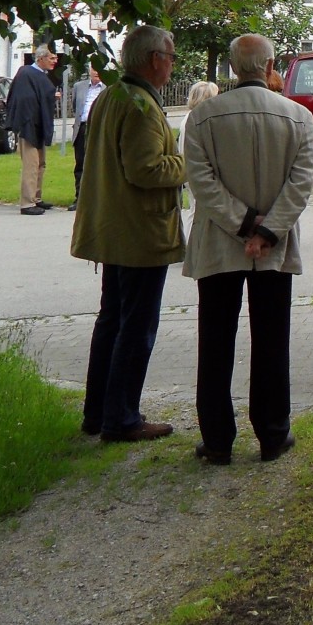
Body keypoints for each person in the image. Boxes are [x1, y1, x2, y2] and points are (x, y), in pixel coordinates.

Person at [182, 34, 313, 465]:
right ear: (270, 64)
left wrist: (243, 226)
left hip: (221, 243)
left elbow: (201, 183)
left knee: (215, 342)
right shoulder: (298, 117)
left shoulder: (203, 118)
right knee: (273, 341)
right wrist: (267, 232)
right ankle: (273, 434)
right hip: (272, 249)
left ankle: (218, 439)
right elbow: (301, 183)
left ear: (233, 68)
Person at [70, 24, 185, 444]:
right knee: (135, 328)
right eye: (170, 57)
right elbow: (146, 169)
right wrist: (187, 163)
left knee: (112, 322)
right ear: (155, 59)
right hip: (139, 234)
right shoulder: (138, 104)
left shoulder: (111, 95)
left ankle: (98, 413)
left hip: (114, 229)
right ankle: (120, 419)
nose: (172, 65)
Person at [7, 45, 59, 216]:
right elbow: (25, 100)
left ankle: (36, 198)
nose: (55, 61)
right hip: (28, 126)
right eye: (51, 58)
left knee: (41, 164)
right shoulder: (26, 73)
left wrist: (51, 96)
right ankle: (27, 203)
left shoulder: (37, 75)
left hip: (38, 126)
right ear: (41, 58)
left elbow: (40, 95)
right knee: (31, 164)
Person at [68, 63, 107, 211]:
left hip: (99, 129)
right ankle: (80, 199)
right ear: (90, 70)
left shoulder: (108, 88)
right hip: (82, 128)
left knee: (99, 164)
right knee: (80, 165)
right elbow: (75, 107)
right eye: (94, 69)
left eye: (100, 69)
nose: (96, 72)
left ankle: (99, 200)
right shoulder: (79, 86)